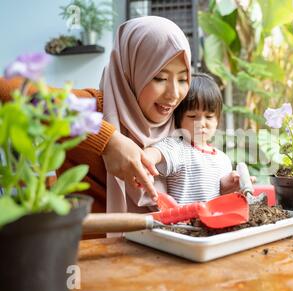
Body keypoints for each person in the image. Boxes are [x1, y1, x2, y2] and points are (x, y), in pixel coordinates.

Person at [0, 16, 242, 214]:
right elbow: (9, 87)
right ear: (131, 71)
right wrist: (109, 141)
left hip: (167, 253)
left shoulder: (176, 119)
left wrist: (225, 187)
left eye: (182, 79)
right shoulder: (92, 108)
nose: (174, 93)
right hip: (94, 253)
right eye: (159, 77)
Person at [144, 73, 233, 204]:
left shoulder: (223, 159)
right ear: (179, 118)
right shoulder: (177, 146)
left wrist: (231, 185)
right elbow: (154, 153)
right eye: (192, 116)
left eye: (209, 117)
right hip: (182, 224)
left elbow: (223, 195)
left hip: (214, 222)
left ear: (218, 120)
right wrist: (144, 163)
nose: (202, 123)